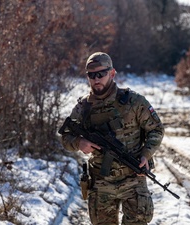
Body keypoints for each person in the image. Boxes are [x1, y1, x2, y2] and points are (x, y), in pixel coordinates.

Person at [60, 52, 164, 225]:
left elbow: (156, 129)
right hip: (101, 183)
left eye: (101, 74)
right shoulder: (83, 108)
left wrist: (146, 154)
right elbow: (65, 136)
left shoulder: (133, 101)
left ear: (112, 73)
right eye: (91, 75)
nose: (96, 79)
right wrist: (79, 142)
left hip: (133, 179)